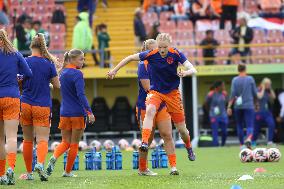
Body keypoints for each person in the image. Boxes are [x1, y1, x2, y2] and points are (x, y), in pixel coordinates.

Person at [107, 33, 197, 161]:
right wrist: (114, 70)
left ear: (169, 46)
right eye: (159, 47)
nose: (161, 50)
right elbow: (130, 58)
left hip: (172, 94)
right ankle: (144, 142)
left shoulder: (176, 53)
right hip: (156, 92)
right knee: (150, 111)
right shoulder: (152, 54)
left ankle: (189, 147)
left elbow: (193, 69)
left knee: (182, 130)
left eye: (164, 47)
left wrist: (185, 72)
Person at [45, 49, 95, 178]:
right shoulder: (77, 74)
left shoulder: (63, 73)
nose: (83, 61)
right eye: (81, 59)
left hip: (64, 113)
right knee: (74, 144)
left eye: (83, 59)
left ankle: (54, 157)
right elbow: (81, 95)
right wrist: (89, 111)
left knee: (65, 142)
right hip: (77, 113)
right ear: (72, 60)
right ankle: (67, 172)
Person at [20, 34, 61, 181]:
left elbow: (19, 82)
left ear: (31, 46)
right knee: (42, 139)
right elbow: (57, 86)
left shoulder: (24, 62)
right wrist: (48, 83)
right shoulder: (49, 63)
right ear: (44, 46)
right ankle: (40, 164)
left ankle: (29, 173)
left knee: (27, 140)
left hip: (25, 103)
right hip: (42, 105)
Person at [136, 39, 178, 176]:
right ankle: (142, 169)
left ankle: (173, 167)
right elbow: (148, 88)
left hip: (162, 105)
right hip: (146, 106)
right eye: (154, 49)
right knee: (147, 139)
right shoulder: (143, 65)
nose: (158, 52)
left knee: (167, 134)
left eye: (159, 49)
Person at [0, 29, 32, 185]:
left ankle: (0, 174)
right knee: (11, 136)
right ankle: (10, 169)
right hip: (12, 96)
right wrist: (17, 76)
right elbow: (28, 73)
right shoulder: (16, 54)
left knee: (0, 138)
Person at [227, 63, 258, 149]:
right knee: (250, 125)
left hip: (238, 106)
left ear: (238, 70)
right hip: (249, 105)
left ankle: (241, 144)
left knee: (239, 125)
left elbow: (232, 94)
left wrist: (229, 107)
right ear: (245, 69)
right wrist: (256, 104)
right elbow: (255, 94)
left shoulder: (234, 80)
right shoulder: (250, 79)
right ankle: (248, 139)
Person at [253, 78, 276, 146]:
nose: (268, 85)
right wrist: (263, 88)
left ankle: (269, 141)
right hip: (258, 112)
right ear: (263, 84)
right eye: (267, 84)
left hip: (267, 112)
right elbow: (259, 97)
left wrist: (270, 88)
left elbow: (274, 97)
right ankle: (253, 141)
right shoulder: (258, 89)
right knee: (256, 128)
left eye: (269, 84)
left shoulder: (268, 91)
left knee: (271, 124)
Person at [205, 81, 228, 146]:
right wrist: (209, 111)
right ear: (218, 87)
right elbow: (206, 104)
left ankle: (223, 144)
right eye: (222, 86)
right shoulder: (211, 94)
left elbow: (227, 103)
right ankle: (215, 146)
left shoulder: (224, 94)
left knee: (225, 132)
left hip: (223, 116)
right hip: (213, 115)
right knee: (215, 132)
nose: (224, 87)